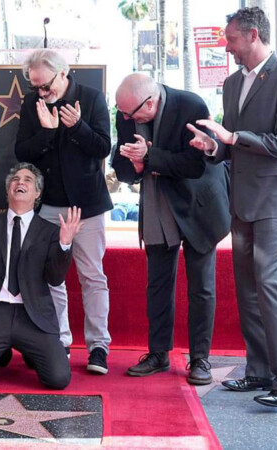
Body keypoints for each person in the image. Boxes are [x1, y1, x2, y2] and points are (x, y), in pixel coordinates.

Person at [186, 7, 277, 407]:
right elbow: (230, 144)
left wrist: (233, 138)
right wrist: (213, 146)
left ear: (253, 35)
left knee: (269, 287)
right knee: (248, 290)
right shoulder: (232, 82)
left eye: (232, 39)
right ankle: (258, 372)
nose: (227, 47)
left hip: (274, 201)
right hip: (240, 200)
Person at [111, 73, 230, 385]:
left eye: (130, 113)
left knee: (201, 286)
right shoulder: (126, 111)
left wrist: (149, 158)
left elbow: (195, 165)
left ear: (150, 103)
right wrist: (136, 167)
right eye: (123, 113)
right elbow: (121, 164)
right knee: (158, 284)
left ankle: (200, 358)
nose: (126, 119)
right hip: (157, 203)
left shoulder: (190, 105)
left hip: (197, 203)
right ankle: (158, 353)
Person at [14, 49, 113, 374]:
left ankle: (98, 347)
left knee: (92, 276)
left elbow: (103, 148)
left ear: (62, 73)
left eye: (45, 86)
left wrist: (77, 127)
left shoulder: (92, 98)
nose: (41, 92)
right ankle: (59, 341)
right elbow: (21, 152)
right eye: (35, 87)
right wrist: (46, 131)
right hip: (49, 205)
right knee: (52, 278)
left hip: (88, 204)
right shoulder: (33, 104)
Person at [0, 163, 82, 389]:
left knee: (58, 379)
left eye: (28, 180)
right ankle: (2, 350)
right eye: (15, 179)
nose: (20, 182)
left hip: (33, 316)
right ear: (8, 190)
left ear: (37, 193)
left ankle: (27, 351)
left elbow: (55, 278)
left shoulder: (50, 231)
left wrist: (65, 245)